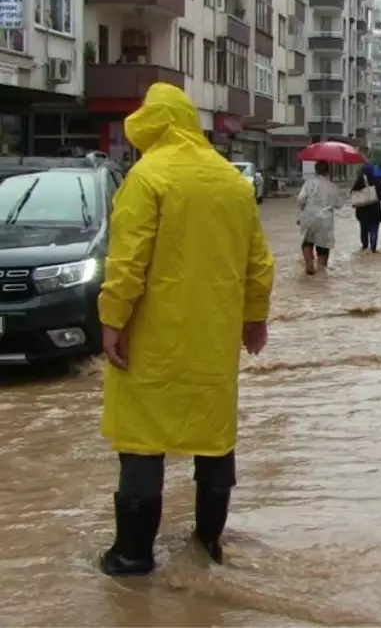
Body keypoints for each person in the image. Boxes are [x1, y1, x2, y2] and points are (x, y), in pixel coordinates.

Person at [97, 82, 275, 577]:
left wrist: (113, 320)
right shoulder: (233, 183)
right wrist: (254, 319)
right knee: (214, 438)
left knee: (141, 440)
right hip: (213, 342)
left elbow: (127, 262)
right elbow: (259, 263)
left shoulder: (147, 177)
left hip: (150, 338)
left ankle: (132, 555)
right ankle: (206, 545)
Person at [297, 160, 339, 273]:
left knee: (307, 242)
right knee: (323, 246)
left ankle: (309, 265)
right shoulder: (332, 185)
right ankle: (321, 271)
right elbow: (338, 204)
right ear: (328, 171)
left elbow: (301, 199)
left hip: (310, 217)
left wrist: (302, 212)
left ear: (315, 170)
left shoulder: (308, 183)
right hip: (326, 219)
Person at [350, 163, 381, 252]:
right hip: (375, 211)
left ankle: (365, 247)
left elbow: (353, 193)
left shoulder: (360, 180)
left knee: (364, 230)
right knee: (374, 230)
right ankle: (373, 249)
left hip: (363, 212)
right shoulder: (379, 180)